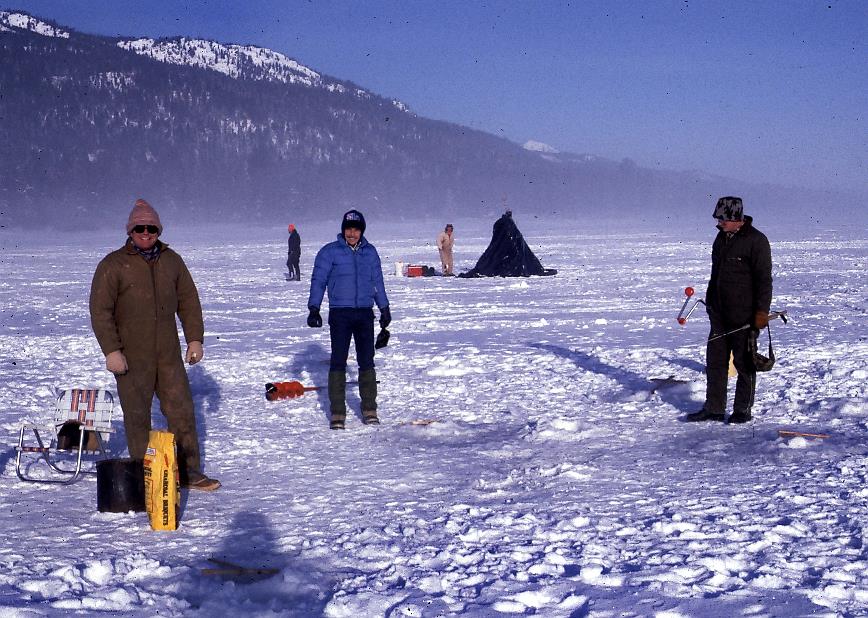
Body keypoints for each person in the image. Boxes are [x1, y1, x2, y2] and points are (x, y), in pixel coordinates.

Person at [89, 199, 220, 490]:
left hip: (168, 354)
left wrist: (195, 339)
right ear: (130, 230)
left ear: (158, 230)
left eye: (151, 228)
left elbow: (188, 301)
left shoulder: (172, 261)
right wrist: (111, 350)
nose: (146, 233)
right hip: (131, 357)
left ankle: (188, 471)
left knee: (182, 410)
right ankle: (142, 476)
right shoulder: (113, 264)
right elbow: (100, 311)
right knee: (137, 416)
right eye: (140, 228)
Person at [686, 196, 772, 424]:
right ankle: (714, 408)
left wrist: (761, 312)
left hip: (744, 317)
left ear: (736, 218)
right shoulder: (721, 238)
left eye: (722, 219)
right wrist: (711, 302)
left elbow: (764, 280)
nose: (718, 223)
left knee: (744, 364)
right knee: (715, 363)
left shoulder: (757, 241)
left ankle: (742, 410)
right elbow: (716, 275)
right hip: (719, 315)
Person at [307, 209, 391, 429]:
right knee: (338, 361)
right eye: (348, 229)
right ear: (343, 229)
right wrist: (314, 308)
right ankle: (337, 413)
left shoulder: (370, 253)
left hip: (364, 313)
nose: (351, 233)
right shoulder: (329, 252)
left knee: (366, 360)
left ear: (361, 231)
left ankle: (369, 408)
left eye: (355, 229)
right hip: (340, 314)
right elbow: (318, 280)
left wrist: (384, 307)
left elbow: (377, 282)